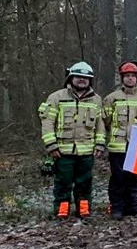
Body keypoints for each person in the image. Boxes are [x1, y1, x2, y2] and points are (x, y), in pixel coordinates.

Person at [39, 62, 105, 218]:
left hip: (87, 150)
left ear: (90, 80)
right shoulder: (56, 97)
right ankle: (62, 209)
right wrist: (51, 145)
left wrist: (100, 144)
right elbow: (47, 122)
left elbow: (100, 124)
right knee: (63, 182)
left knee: (85, 182)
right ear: (71, 78)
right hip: (63, 150)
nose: (82, 80)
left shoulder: (96, 100)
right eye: (78, 77)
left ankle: (83, 207)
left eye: (86, 78)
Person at [103, 61, 137, 219]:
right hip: (117, 146)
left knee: (134, 178)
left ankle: (133, 206)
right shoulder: (111, 98)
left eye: (132, 76)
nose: (130, 79)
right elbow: (105, 120)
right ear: (122, 78)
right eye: (127, 76)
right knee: (118, 178)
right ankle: (117, 208)